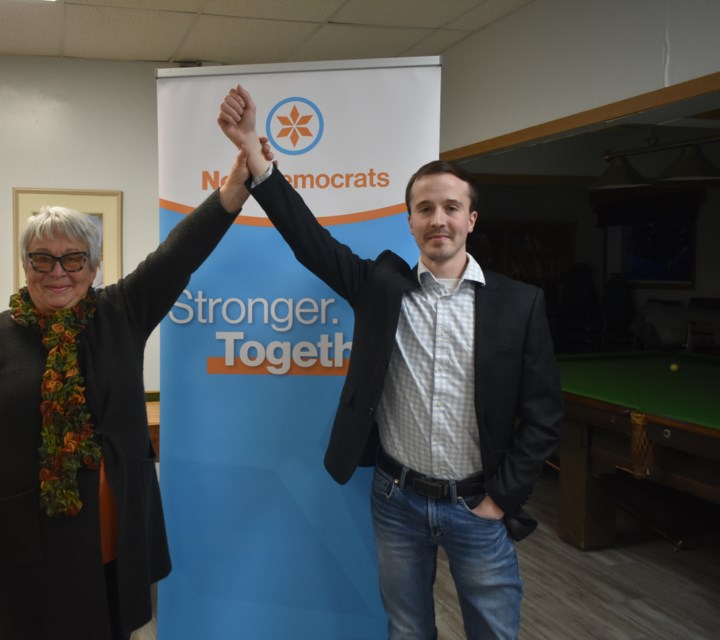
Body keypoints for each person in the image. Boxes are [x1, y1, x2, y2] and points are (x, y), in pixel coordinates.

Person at [218, 85, 564, 640]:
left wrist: (500, 500)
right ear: (409, 221)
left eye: (451, 207)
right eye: (425, 209)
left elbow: (545, 416)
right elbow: (311, 242)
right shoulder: (383, 286)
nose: (438, 220)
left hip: (480, 504)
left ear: (471, 219)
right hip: (397, 501)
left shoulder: (520, 304)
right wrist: (256, 159)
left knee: (495, 633)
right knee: (406, 630)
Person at [0, 146, 257, 639]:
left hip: (111, 539)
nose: (57, 271)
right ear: (25, 265)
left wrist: (233, 189)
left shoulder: (121, 314)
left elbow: (178, 256)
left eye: (73, 258)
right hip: (24, 544)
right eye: (42, 258)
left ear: (95, 265)